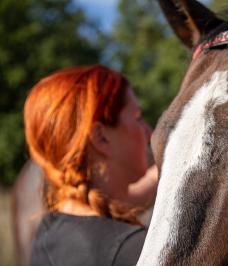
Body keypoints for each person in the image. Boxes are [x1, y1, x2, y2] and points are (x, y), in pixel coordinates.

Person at [24, 65, 158, 266]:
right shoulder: (137, 251)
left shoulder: (49, 231)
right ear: (100, 137)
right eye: (137, 118)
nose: (149, 132)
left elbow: (123, 201)